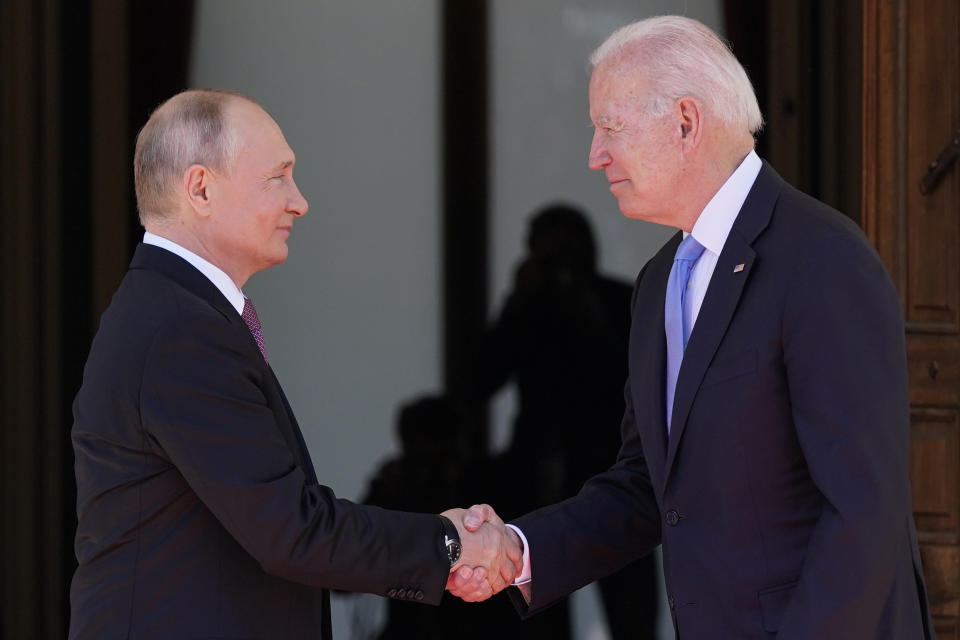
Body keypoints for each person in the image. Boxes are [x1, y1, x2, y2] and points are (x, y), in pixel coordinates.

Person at [449, 15, 935, 639]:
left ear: (686, 122)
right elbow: (646, 486)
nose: (595, 156)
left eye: (609, 129)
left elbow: (864, 511)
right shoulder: (659, 283)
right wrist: (518, 550)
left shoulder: (821, 257)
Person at [68, 89, 519, 640]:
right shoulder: (179, 328)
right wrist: (448, 545)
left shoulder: (176, 312)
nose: (299, 201)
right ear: (201, 188)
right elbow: (291, 531)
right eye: (277, 177)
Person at [475, 204, 659, 638]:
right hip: (538, 472)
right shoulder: (527, 308)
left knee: (630, 610)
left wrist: (586, 311)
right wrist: (516, 304)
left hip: (616, 471)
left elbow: (639, 379)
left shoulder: (618, 300)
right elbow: (477, 381)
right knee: (537, 612)